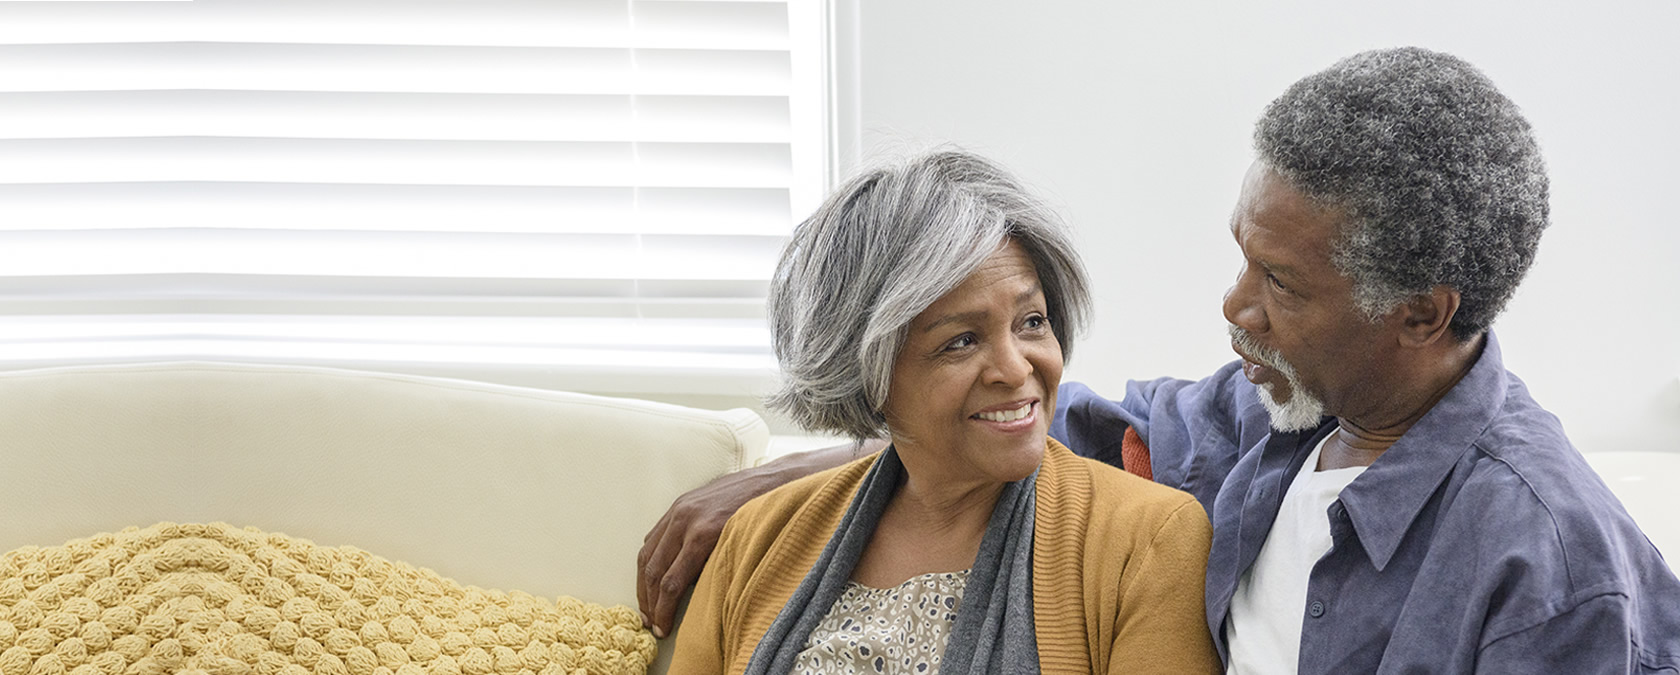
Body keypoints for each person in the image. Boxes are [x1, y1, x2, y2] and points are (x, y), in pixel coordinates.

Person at [641, 48, 1680, 672]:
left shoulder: (1550, 565)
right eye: (1243, 258)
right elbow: (1038, 419)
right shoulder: (1273, 418)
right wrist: (812, 466)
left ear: (1419, 315)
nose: (1235, 310)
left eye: (1282, 285)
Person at [665, 149, 1219, 675]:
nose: (1014, 367)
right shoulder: (758, 538)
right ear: (869, 373)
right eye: (962, 341)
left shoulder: (1148, 540)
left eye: (1031, 321)